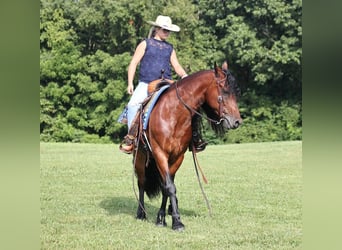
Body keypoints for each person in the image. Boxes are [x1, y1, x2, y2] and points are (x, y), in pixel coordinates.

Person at [119, 15, 207, 154]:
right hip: (146, 84)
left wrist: (185, 77)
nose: (167, 33)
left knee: (189, 105)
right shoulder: (145, 44)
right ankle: (131, 139)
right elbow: (133, 63)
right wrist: (130, 83)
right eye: (164, 30)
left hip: (166, 83)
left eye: (168, 30)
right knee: (132, 105)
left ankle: (194, 139)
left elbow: (176, 66)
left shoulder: (170, 48)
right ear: (157, 29)